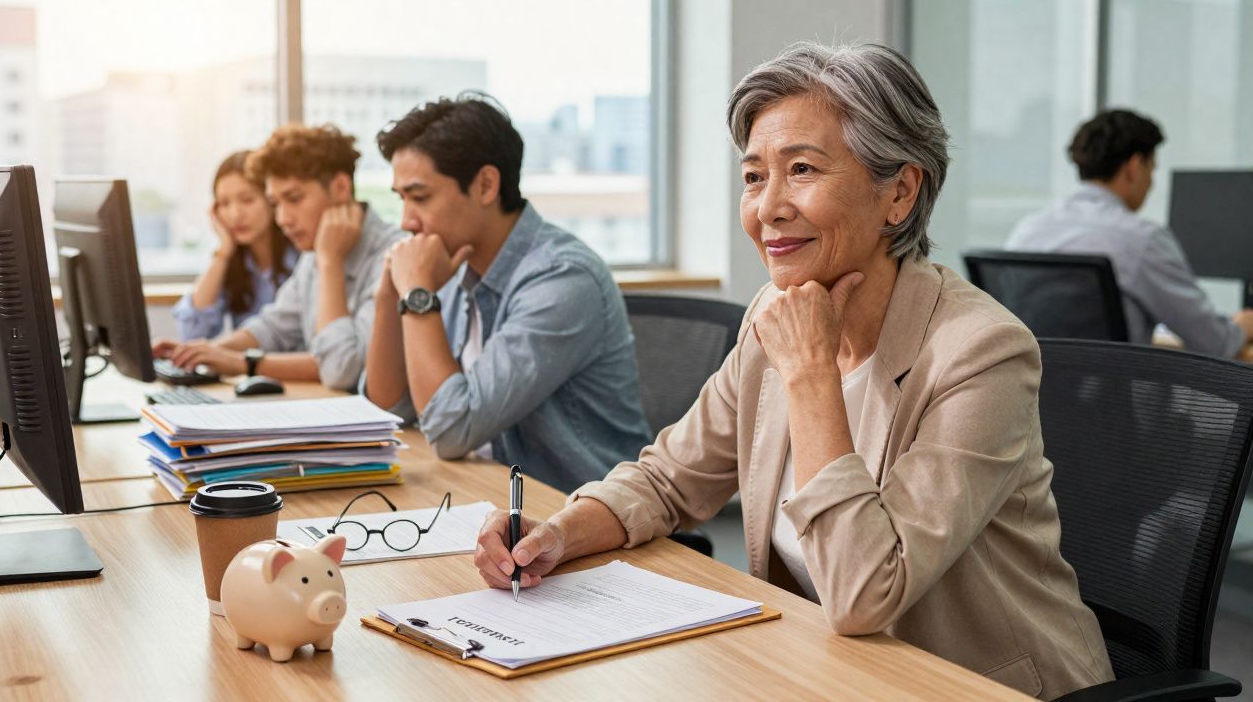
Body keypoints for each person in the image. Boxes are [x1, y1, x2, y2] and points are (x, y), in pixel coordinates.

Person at [472, 44, 1113, 699]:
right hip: (832, 673)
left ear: (899, 192)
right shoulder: (775, 316)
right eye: (754, 177)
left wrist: (811, 378)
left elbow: (868, 592)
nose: (768, 207)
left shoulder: (981, 352)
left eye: (801, 169)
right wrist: (555, 535)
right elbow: (669, 480)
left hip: (971, 685)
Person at [362, 93, 651, 492]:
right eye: (401, 199)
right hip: (488, 495)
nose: (407, 221)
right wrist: (387, 293)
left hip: (579, 515)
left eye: (420, 197)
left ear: (485, 185)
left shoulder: (562, 277)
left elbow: (450, 429)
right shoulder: (451, 268)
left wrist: (417, 295)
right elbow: (386, 410)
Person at [153, 124, 401, 390]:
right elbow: (272, 328)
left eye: (294, 199)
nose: (282, 219)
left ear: (341, 188)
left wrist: (330, 263)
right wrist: (204, 351)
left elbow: (342, 370)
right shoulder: (313, 254)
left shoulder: (391, 257)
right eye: (275, 204)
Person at [1005, 109, 1253, 357]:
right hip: (1113, 393)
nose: (1151, 183)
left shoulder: (1027, 230)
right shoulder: (1142, 240)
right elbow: (1214, 342)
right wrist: (1241, 326)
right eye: (1152, 169)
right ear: (1134, 167)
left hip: (1031, 391)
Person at [170, 150, 299, 341]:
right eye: (224, 203)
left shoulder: (301, 257)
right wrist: (223, 252)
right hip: (247, 369)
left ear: (272, 200)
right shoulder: (234, 263)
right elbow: (192, 334)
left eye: (247, 200)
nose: (235, 215)